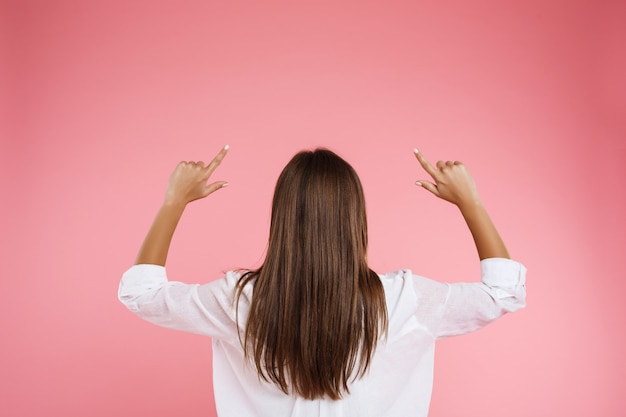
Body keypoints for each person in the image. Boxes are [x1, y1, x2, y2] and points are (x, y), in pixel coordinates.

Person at [118, 145, 526, 417]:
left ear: (281, 219)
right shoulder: (404, 300)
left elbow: (141, 293)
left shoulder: (238, 300)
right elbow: (504, 292)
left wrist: (174, 202)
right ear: (356, 221)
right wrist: (470, 203)